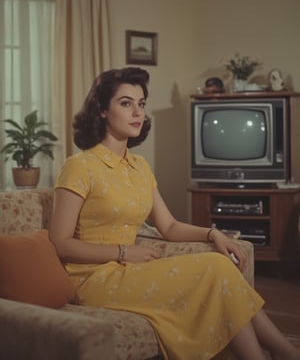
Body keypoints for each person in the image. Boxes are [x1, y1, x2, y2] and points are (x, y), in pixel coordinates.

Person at [50, 66, 299, 360]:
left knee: (219, 269)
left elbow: (168, 226)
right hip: (93, 279)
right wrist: (122, 252)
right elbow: (60, 242)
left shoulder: (139, 166)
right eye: (125, 103)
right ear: (103, 110)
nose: (137, 113)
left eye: (141, 103)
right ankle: (286, 352)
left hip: (131, 271)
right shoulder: (80, 166)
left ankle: (275, 354)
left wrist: (212, 233)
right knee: (216, 269)